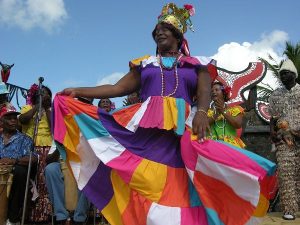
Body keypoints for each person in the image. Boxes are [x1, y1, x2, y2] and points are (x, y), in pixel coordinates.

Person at [54, 3, 276, 225]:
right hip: (147, 136)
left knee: (184, 186)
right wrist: (78, 91)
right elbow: (116, 88)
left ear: (178, 36)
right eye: (156, 30)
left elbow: (205, 91)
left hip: (182, 136)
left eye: (165, 29)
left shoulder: (196, 65)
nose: (159, 32)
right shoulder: (146, 64)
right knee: (145, 183)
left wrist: (201, 114)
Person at [268, 59, 300, 220]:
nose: (282, 76)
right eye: (281, 74)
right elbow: (272, 118)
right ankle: (289, 210)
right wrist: (272, 132)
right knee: (286, 175)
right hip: (284, 140)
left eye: (286, 73)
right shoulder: (275, 94)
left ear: (294, 74)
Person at [18, 84, 53, 222]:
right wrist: (36, 107)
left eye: (45, 93)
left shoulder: (51, 110)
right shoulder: (27, 108)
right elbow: (22, 120)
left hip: (46, 147)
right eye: (40, 92)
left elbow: (54, 127)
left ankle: (42, 216)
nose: (42, 94)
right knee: (30, 182)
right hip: (29, 147)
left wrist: (46, 108)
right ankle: (27, 214)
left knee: (43, 182)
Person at [0, 105, 35, 225]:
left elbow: (33, 158)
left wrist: (13, 161)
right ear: (1, 121)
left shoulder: (25, 139)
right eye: (9, 118)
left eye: (15, 118)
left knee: (20, 172)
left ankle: (13, 218)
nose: (13, 120)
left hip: (16, 175)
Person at [207, 81, 245, 148]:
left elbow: (238, 124)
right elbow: (202, 125)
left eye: (216, 90)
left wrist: (223, 111)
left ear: (224, 93)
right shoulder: (207, 112)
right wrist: (216, 115)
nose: (213, 92)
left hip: (231, 147)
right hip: (212, 147)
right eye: (212, 91)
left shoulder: (235, 110)